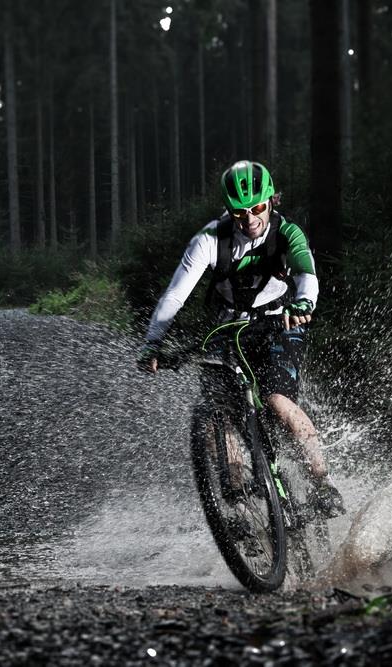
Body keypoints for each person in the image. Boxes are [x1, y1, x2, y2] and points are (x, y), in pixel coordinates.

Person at [138, 160, 344, 517]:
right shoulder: (208, 240)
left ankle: (322, 482)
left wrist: (303, 303)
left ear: (271, 200)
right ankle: (236, 499)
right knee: (217, 411)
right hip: (228, 326)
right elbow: (175, 296)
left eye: (257, 208)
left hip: (280, 321)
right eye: (239, 212)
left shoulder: (287, 232)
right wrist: (153, 342)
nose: (249, 219)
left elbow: (306, 272)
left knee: (278, 401)